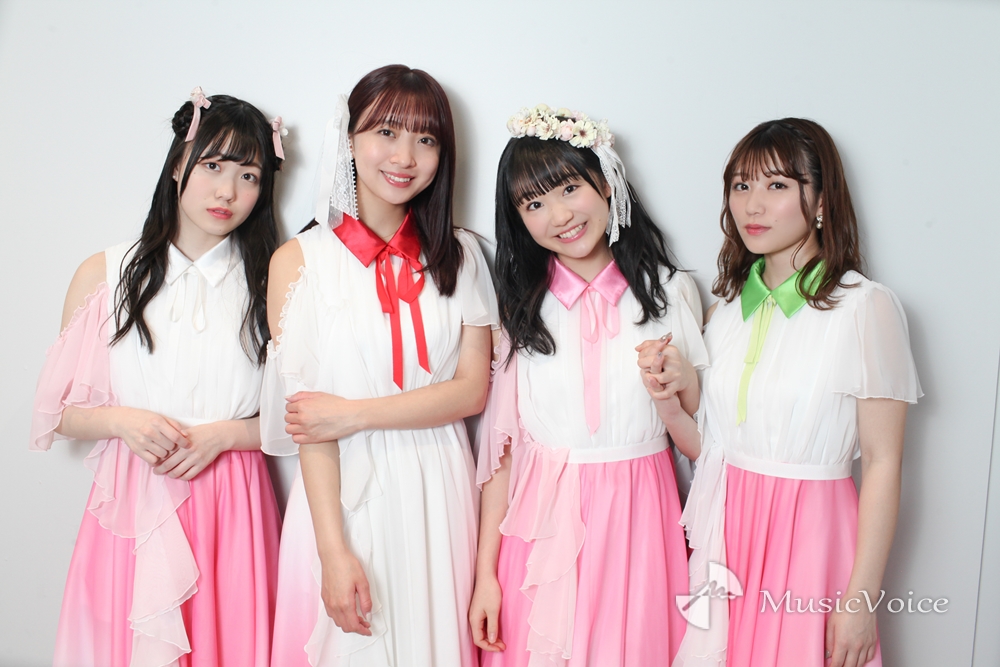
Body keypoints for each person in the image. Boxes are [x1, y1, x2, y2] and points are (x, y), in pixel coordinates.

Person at [29, 88, 285, 667]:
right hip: (133, 500)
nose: (227, 191)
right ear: (177, 166)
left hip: (232, 502)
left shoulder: (274, 281)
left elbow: (304, 416)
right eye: (213, 166)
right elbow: (55, 412)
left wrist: (228, 435)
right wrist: (123, 421)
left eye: (248, 176)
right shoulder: (108, 272)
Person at [262, 65, 497, 667]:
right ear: (349, 139)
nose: (405, 156)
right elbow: (310, 424)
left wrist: (354, 414)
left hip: (440, 485)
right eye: (386, 132)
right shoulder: (299, 261)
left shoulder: (463, 253)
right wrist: (331, 551)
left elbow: (471, 391)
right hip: (342, 496)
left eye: (426, 138)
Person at [672, 118, 922, 667]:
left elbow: (883, 462)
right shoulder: (725, 310)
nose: (753, 205)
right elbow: (710, 449)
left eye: (777, 185)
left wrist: (860, 600)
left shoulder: (865, 307)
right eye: (741, 185)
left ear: (822, 202)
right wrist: (669, 395)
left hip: (811, 537)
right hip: (727, 536)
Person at [470, 104, 708, 667]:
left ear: (605, 182)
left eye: (569, 188)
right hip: (543, 527)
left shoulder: (670, 292)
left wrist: (679, 387)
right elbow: (503, 454)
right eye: (533, 203)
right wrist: (485, 576)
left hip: (641, 519)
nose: (559, 215)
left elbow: (704, 442)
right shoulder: (517, 310)